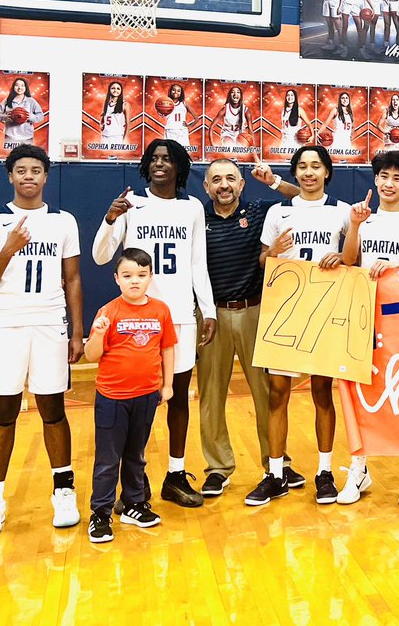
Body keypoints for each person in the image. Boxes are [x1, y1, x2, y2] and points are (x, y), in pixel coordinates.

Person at [92, 139, 216, 509]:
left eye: (168, 159)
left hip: (180, 314)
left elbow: (197, 263)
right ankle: (135, 477)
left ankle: (175, 475)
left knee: (177, 398)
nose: (160, 164)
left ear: (179, 167)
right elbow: (101, 257)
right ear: (147, 166)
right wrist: (110, 218)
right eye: (154, 159)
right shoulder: (131, 204)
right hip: (138, 320)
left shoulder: (193, 207)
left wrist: (206, 309)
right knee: (138, 402)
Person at [0, 145, 84, 537]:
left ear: (46, 176)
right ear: (10, 176)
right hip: (5, 324)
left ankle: (63, 490)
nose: (28, 177)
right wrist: (8, 249)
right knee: (3, 413)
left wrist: (76, 329)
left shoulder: (63, 221)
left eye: (36, 170)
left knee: (53, 408)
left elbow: (72, 279)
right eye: (21, 170)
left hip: (50, 321)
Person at [246, 146, 352, 507]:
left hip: (324, 309)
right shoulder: (279, 211)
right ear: (294, 173)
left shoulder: (342, 213)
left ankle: (325, 472)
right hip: (285, 310)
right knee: (278, 393)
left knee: (323, 392)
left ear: (327, 172)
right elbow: (263, 261)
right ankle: (275, 474)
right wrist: (271, 251)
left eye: (315, 166)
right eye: (302, 167)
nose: (309, 172)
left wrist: (343, 257)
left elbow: (353, 259)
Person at [198, 159, 301, 497]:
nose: (223, 185)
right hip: (212, 316)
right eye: (216, 179)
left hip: (256, 310)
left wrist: (273, 182)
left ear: (242, 185)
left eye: (230, 178)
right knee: (211, 395)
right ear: (206, 187)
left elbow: (302, 195)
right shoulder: (198, 217)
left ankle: (277, 464)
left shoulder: (260, 211)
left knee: (266, 392)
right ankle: (218, 467)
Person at [338, 151, 399, 506]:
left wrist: (394, 267)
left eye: (397, 179)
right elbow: (348, 261)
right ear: (375, 180)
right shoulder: (363, 219)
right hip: (364, 318)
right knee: (360, 395)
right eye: (384, 177)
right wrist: (356, 226)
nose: (389, 184)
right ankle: (358, 469)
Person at [84, 248, 176, 543]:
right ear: (117, 279)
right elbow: (90, 356)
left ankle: (134, 504)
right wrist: (97, 334)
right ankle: (100, 512)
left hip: (147, 395)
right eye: (127, 276)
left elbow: (167, 348)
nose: (134, 281)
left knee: (136, 455)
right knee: (108, 458)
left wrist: (168, 385)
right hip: (112, 397)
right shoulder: (108, 312)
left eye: (141, 275)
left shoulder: (161, 310)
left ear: (150, 277)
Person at [0, 77, 44, 147]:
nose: (19, 88)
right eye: (17, 85)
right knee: (12, 156)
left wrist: (30, 117)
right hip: (10, 135)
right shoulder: (6, 101)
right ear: (13, 87)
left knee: (27, 156)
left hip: (27, 136)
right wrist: (5, 117)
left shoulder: (31, 101)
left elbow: (41, 116)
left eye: (22, 85)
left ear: (25, 87)